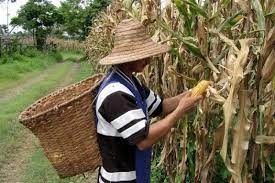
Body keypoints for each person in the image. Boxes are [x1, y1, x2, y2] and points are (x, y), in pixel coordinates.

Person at [95, 18, 202, 183]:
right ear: (127, 57)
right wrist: (180, 110)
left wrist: (190, 93)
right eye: (143, 56)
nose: (148, 60)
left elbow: (161, 107)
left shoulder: (131, 82)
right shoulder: (115, 95)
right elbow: (143, 140)